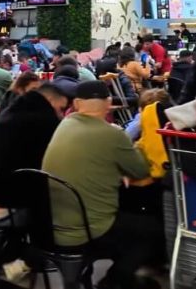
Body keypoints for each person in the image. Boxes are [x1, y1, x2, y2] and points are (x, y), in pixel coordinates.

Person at [42, 81, 154, 289]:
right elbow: (140, 170)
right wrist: (138, 146)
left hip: (51, 224)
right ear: (109, 103)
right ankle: (114, 280)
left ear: (76, 103)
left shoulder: (65, 125)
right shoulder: (112, 135)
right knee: (151, 231)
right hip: (88, 229)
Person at [0, 83, 69, 212]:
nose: (61, 115)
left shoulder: (14, 110)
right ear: (51, 100)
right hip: (7, 201)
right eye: (61, 109)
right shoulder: (42, 120)